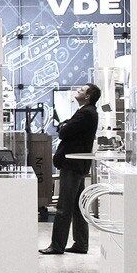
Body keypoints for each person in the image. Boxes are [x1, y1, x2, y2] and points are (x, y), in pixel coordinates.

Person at [40, 83, 101, 255]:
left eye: (81, 90)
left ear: (88, 96)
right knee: (77, 206)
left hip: (72, 165)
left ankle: (57, 245)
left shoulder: (85, 113)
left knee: (64, 207)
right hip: (77, 165)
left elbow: (64, 132)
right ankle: (81, 243)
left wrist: (64, 126)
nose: (78, 91)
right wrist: (65, 125)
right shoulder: (88, 112)